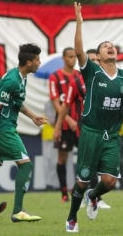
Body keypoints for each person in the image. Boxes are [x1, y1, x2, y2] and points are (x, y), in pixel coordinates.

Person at [63, 2, 123, 233]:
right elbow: (78, 52)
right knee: (83, 180)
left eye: (112, 45)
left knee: (109, 182)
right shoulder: (92, 72)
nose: (110, 47)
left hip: (112, 135)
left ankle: (93, 197)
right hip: (91, 134)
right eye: (105, 46)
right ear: (99, 55)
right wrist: (78, 23)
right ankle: (72, 217)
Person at [0, 43, 47, 222]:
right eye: (37, 60)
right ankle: (18, 211)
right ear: (29, 62)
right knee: (26, 164)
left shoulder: (21, 77)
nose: (39, 62)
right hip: (1, 127)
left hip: (1, 125)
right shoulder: (12, 80)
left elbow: (16, 102)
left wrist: (32, 117)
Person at [54, 49, 111, 209]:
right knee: (88, 164)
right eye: (90, 59)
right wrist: (58, 126)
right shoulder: (78, 82)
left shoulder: (109, 80)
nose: (94, 62)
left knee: (99, 164)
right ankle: (89, 197)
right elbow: (65, 106)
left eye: (96, 59)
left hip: (104, 129)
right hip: (86, 130)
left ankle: (92, 197)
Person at [49, 47, 82, 202]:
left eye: (75, 56)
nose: (73, 59)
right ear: (63, 58)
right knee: (62, 157)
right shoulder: (55, 77)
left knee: (84, 157)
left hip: (80, 124)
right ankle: (63, 191)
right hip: (64, 125)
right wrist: (68, 120)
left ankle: (80, 190)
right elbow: (56, 102)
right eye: (70, 57)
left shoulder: (79, 76)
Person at [41, 100, 59, 191]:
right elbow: (52, 120)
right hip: (49, 136)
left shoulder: (57, 103)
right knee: (49, 161)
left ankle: (53, 184)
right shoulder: (49, 104)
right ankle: (50, 184)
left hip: (54, 136)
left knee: (53, 161)